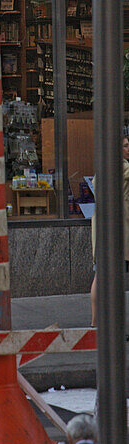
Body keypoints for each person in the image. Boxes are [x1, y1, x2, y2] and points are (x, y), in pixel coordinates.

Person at [89, 133, 129, 326]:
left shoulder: (101, 170)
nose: (128, 149)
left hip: (101, 229)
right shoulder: (123, 168)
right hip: (118, 232)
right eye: (125, 146)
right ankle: (114, 324)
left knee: (100, 275)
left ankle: (95, 321)